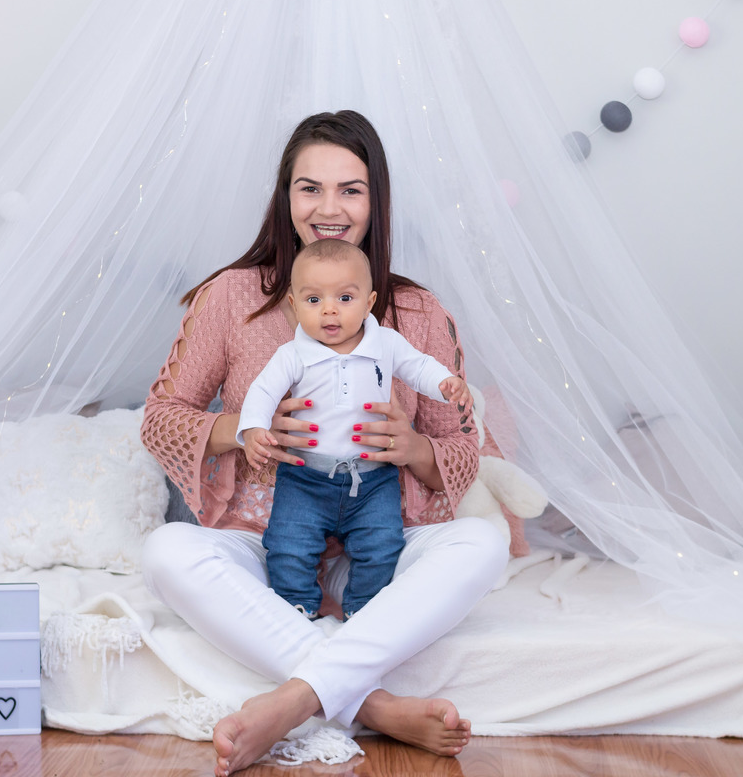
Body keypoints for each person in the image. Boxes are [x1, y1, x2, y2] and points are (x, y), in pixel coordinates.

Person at [140, 110, 509, 777]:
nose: (329, 208)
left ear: (377, 200)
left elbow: (462, 446)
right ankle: (375, 706)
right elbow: (161, 417)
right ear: (286, 197)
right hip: (263, 536)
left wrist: (414, 449)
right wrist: (248, 432)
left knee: (483, 543)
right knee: (167, 553)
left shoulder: (415, 311)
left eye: (351, 189)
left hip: (380, 535)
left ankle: (296, 699)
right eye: (310, 188)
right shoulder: (231, 296)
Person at [239, 240, 471, 621]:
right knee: (287, 544)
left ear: (369, 302)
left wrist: (446, 382)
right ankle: (296, 608)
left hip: (373, 479)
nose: (329, 309)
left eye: (345, 298)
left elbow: (419, 366)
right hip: (305, 477)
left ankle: (363, 611)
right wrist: (252, 430)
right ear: (295, 307)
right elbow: (262, 392)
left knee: (382, 545)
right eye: (314, 301)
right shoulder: (293, 354)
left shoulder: (386, 344)